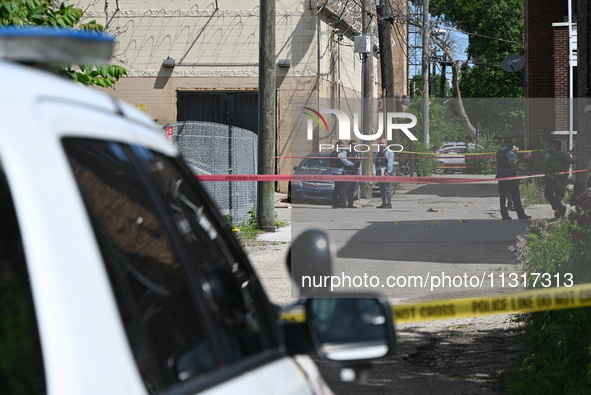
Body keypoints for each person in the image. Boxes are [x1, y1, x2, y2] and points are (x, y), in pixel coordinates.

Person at [495, 137, 531, 220]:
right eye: (511, 143)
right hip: (510, 175)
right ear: (507, 143)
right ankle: (520, 214)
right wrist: (524, 170)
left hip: (501, 175)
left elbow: (496, 165)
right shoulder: (509, 152)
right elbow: (513, 164)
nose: (512, 145)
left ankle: (504, 215)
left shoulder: (499, 152)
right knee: (515, 195)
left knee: (502, 196)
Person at [544, 139, 574, 219]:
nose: (552, 147)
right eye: (551, 146)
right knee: (547, 194)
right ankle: (559, 207)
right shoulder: (549, 155)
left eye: (553, 145)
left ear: (557, 146)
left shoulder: (564, 155)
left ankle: (559, 211)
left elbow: (571, 161)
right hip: (550, 179)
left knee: (559, 196)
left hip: (560, 179)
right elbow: (544, 163)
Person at [330, 140, 354, 209]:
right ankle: (342, 204)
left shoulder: (333, 153)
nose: (342, 148)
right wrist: (354, 163)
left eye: (343, 146)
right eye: (341, 146)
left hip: (334, 173)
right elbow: (346, 162)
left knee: (336, 189)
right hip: (340, 173)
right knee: (342, 189)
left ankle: (335, 204)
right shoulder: (339, 154)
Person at [375, 138, 394, 209]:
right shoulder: (378, 152)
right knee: (381, 188)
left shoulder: (389, 152)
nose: (382, 145)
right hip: (379, 171)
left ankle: (389, 203)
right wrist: (376, 171)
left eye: (383, 143)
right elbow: (376, 162)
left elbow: (390, 162)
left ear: (386, 144)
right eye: (381, 143)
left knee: (387, 188)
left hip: (386, 171)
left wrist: (389, 172)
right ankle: (384, 202)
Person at [344, 140, 361, 208]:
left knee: (352, 189)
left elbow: (359, 163)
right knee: (347, 189)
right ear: (350, 145)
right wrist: (353, 163)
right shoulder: (346, 152)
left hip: (355, 172)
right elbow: (345, 162)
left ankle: (351, 203)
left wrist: (359, 172)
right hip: (348, 172)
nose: (354, 146)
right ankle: (345, 202)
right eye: (353, 145)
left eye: (355, 145)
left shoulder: (356, 153)